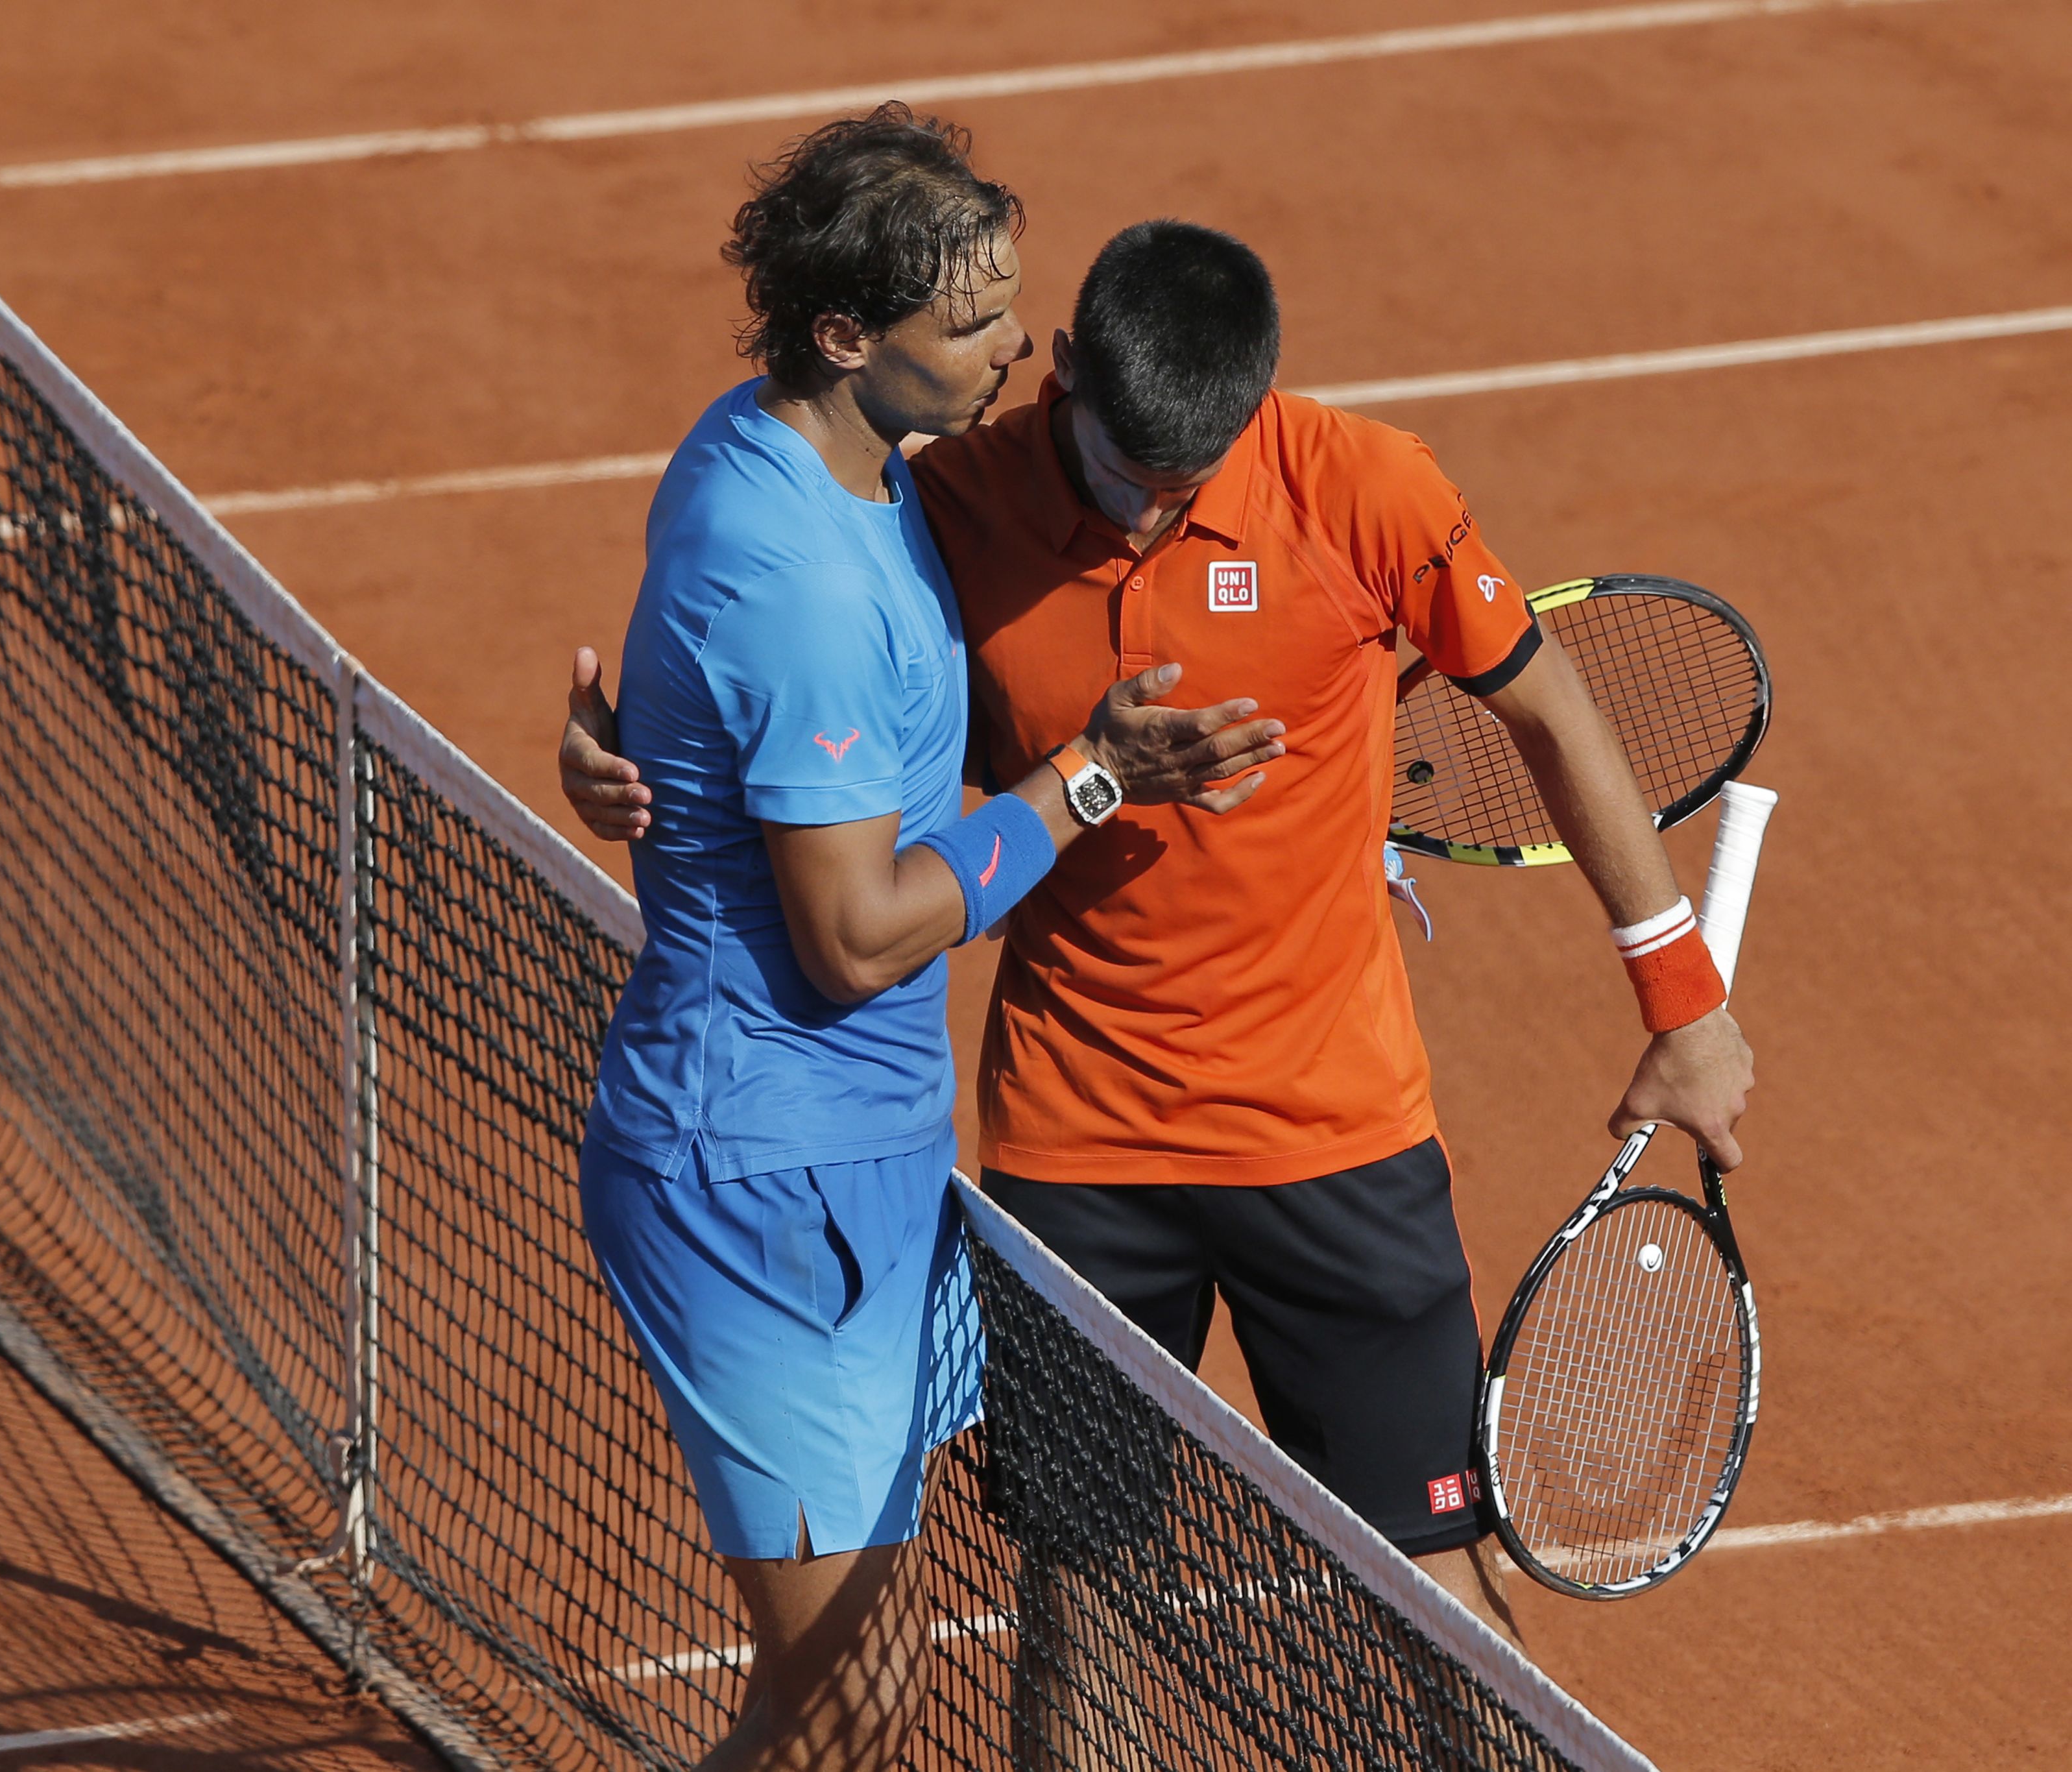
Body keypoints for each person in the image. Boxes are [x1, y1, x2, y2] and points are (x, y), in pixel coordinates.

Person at [563, 218, 1755, 1651]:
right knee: (1083, 1607)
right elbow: (797, 691)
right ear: (1058, 369)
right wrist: (635, 766)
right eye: (1119, 468)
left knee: (1436, 1600)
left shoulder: (1366, 490)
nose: (1138, 513)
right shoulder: (950, 504)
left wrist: (1681, 1005)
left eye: (1176, 484)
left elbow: (1551, 712)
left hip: (1332, 1133)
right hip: (1078, 1151)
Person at [577, 118, 1286, 1772]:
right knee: (857, 1701)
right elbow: (851, 935)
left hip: (860, 1169)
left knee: (837, 1688)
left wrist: (634, 764)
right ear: (846, 336)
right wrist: (1087, 779)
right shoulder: (798, 582)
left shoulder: (806, 453)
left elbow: (732, 733)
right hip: (763, 1182)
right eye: (972, 327)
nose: (1013, 353)